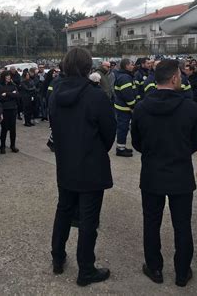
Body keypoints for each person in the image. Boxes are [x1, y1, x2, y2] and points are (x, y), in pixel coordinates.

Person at [131, 60, 197, 287]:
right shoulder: (189, 107)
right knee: (182, 224)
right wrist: (180, 153)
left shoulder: (142, 107)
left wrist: (155, 153)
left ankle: (154, 269)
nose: (181, 79)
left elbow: (137, 142)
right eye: (180, 76)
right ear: (174, 78)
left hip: (152, 173)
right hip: (180, 173)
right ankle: (182, 272)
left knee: (151, 223)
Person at [50, 47, 116, 287]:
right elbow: (110, 131)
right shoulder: (95, 95)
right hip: (90, 165)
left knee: (63, 210)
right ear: (88, 67)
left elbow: (54, 127)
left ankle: (58, 258)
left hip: (65, 162)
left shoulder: (55, 93)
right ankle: (85, 269)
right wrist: (95, 150)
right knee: (88, 220)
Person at [113, 58, 136, 157]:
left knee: (123, 128)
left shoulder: (124, 76)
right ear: (126, 66)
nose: (133, 66)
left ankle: (121, 147)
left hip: (123, 107)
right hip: (124, 108)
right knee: (123, 128)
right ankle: (120, 149)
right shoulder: (125, 77)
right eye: (131, 64)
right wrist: (133, 105)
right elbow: (127, 95)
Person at [0, 71, 19, 154]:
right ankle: (2, 146)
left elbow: (17, 95)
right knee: (4, 128)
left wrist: (6, 94)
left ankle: (13, 145)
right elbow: (0, 98)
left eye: (9, 76)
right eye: (7, 76)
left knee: (13, 129)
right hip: (5, 109)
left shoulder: (13, 85)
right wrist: (11, 95)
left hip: (13, 109)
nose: (9, 77)